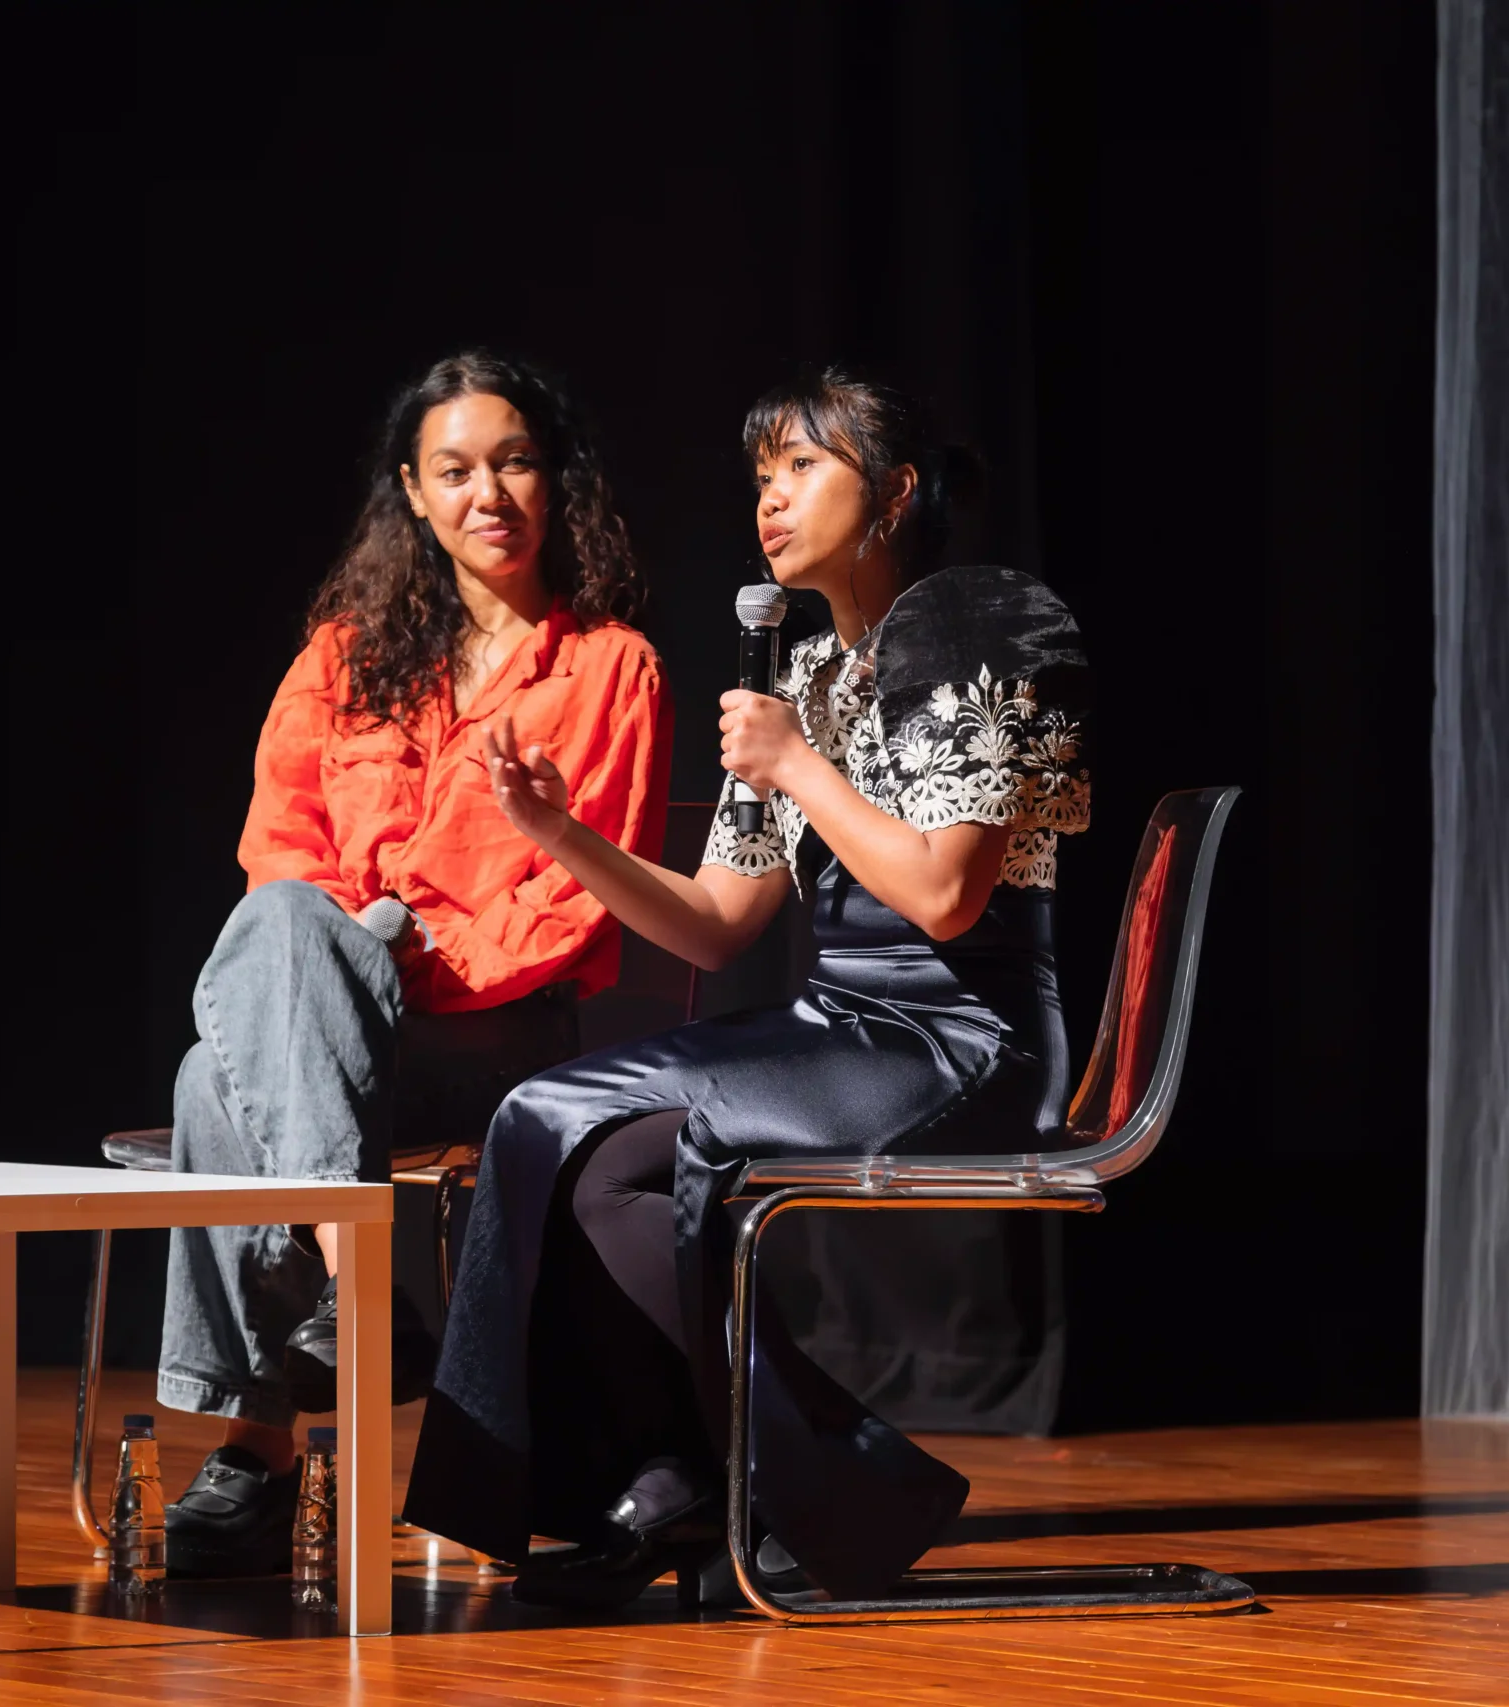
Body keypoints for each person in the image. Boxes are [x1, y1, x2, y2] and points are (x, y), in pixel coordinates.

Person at [400, 368, 1091, 1608]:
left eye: (802, 469)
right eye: (761, 477)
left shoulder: (987, 620)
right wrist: (558, 834)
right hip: (839, 1028)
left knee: (592, 1141)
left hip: (960, 1039)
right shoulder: (811, 673)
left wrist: (797, 763)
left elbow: (946, 897)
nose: (770, 500)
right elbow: (717, 925)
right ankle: (676, 1478)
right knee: (550, 1125)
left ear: (894, 492)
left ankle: (833, 1489)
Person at [157, 351, 671, 1577]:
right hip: (336, 1010)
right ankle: (360, 1282)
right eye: (454, 471)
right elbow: (280, 847)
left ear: (556, 482)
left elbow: (572, 913)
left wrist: (396, 967)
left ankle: (261, 1446)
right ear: (414, 491)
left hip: (493, 1040)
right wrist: (349, 963)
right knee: (285, 927)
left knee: (205, 1078)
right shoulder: (342, 656)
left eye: (514, 462)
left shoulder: (610, 668)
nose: (487, 492)